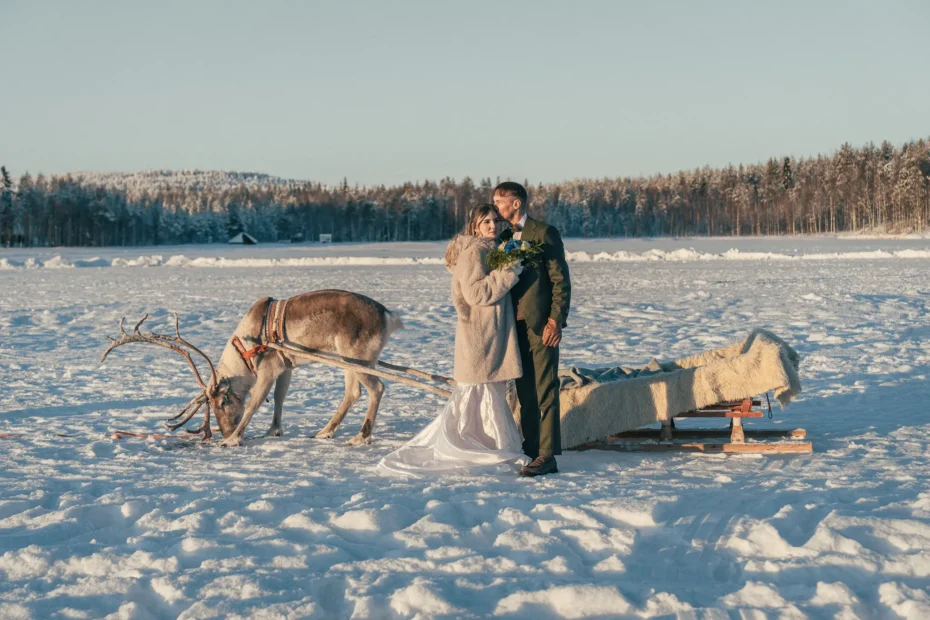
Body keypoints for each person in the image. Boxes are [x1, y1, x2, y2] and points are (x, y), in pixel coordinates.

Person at [377, 204, 529, 477]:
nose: (493, 226)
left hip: (488, 335)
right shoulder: (474, 253)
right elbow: (476, 295)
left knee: (487, 395)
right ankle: (477, 448)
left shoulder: (488, 251)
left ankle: (490, 446)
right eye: (486, 222)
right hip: (480, 338)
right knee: (479, 396)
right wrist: (508, 272)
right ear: (475, 226)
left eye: (496, 220)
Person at [493, 182, 571, 476]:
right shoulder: (502, 237)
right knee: (525, 393)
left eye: (500, 201)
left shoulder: (544, 232)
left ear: (516, 204)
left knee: (546, 390)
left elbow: (560, 281)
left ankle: (548, 456)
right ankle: (531, 448)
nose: (497, 207)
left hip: (541, 325)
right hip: (513, 327)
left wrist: (555, 320)